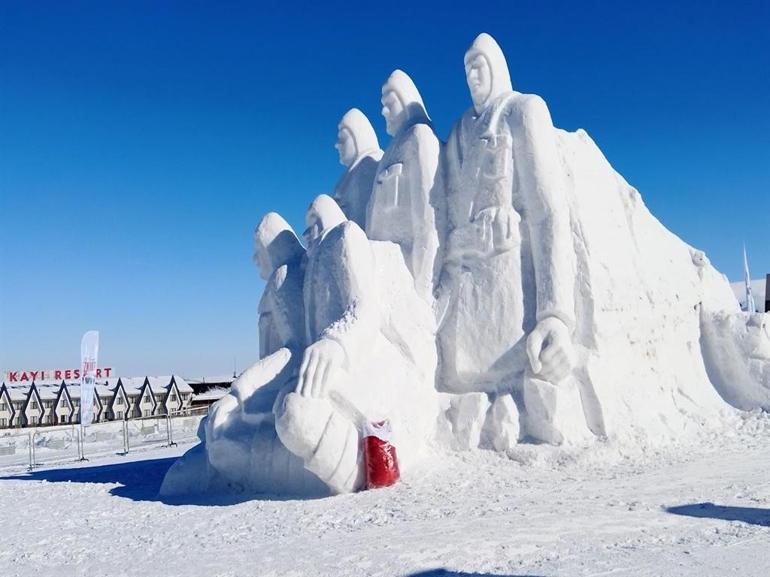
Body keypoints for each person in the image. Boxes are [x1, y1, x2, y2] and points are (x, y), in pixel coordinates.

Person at [439, 33, 578, 444]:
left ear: (497, 66)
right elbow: (440, 216)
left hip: (508, 290)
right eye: (465, 69)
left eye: (478, 65)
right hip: (464, 289)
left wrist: (556, 315)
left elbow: (549, 212)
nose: (471, 76)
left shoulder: (523, 110)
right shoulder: (459, 132)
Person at [275, 195, 438, 493]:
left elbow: (365, 308)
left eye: (311, 225)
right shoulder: (312, 263)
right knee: (292, 410)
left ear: (322, 220)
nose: (306, 236)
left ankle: (356, 470)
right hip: (333, 362)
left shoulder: (344, 236)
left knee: (296, 413)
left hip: (360, 359)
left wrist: (336, 343)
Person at [366, 70, 443, 302]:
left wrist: (423, 285)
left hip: (406, 272)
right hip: (380, 269)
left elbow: (429, 216)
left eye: (389, 103)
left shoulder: (419, 137)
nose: (383, 111)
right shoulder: (389, 151)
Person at [332, 108, 383, 228]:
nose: (337, 144)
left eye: (343, 138)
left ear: (357, 138)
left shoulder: (368, 165)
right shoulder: (352, 172)